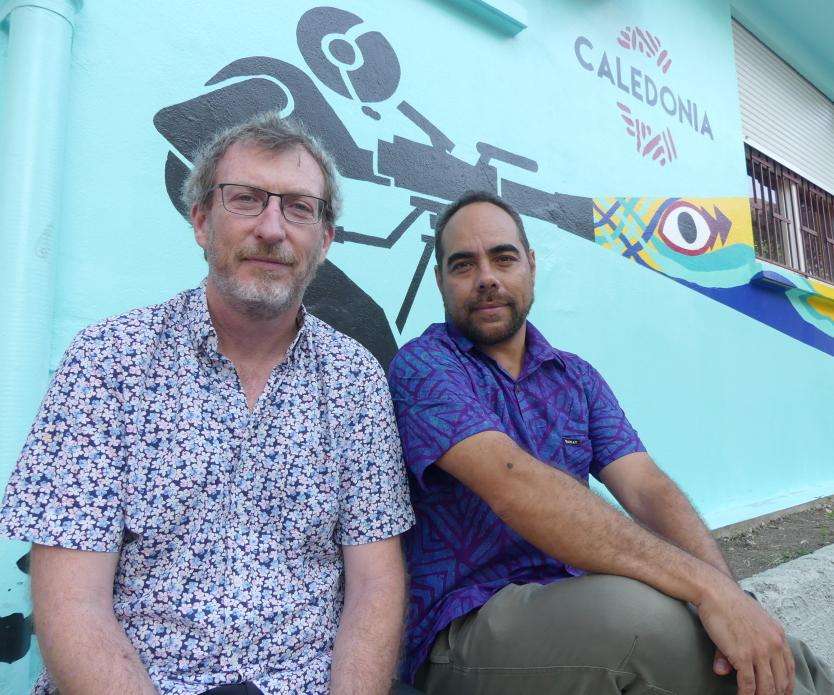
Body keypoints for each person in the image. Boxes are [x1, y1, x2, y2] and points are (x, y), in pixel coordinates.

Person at [0, 112, 415, 695]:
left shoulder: (356, 379)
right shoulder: (109, 360)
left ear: (324, 241)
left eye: (299, 208)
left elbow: (375, 585)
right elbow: (71, 601)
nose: (272, 228)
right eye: (245, 199)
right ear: (200, 220)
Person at [388, 190, 834, 695]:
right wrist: (703, 586)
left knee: (778, 646)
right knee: (644, 621)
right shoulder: (424, 368)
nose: (486, 277)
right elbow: (516, 486)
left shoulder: (575, 377)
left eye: (503, 258)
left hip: (577, 599)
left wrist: (729, 597)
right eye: (463, 264)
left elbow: (646, 487)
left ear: (531, 265)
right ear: (440, 280)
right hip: (466, 625)